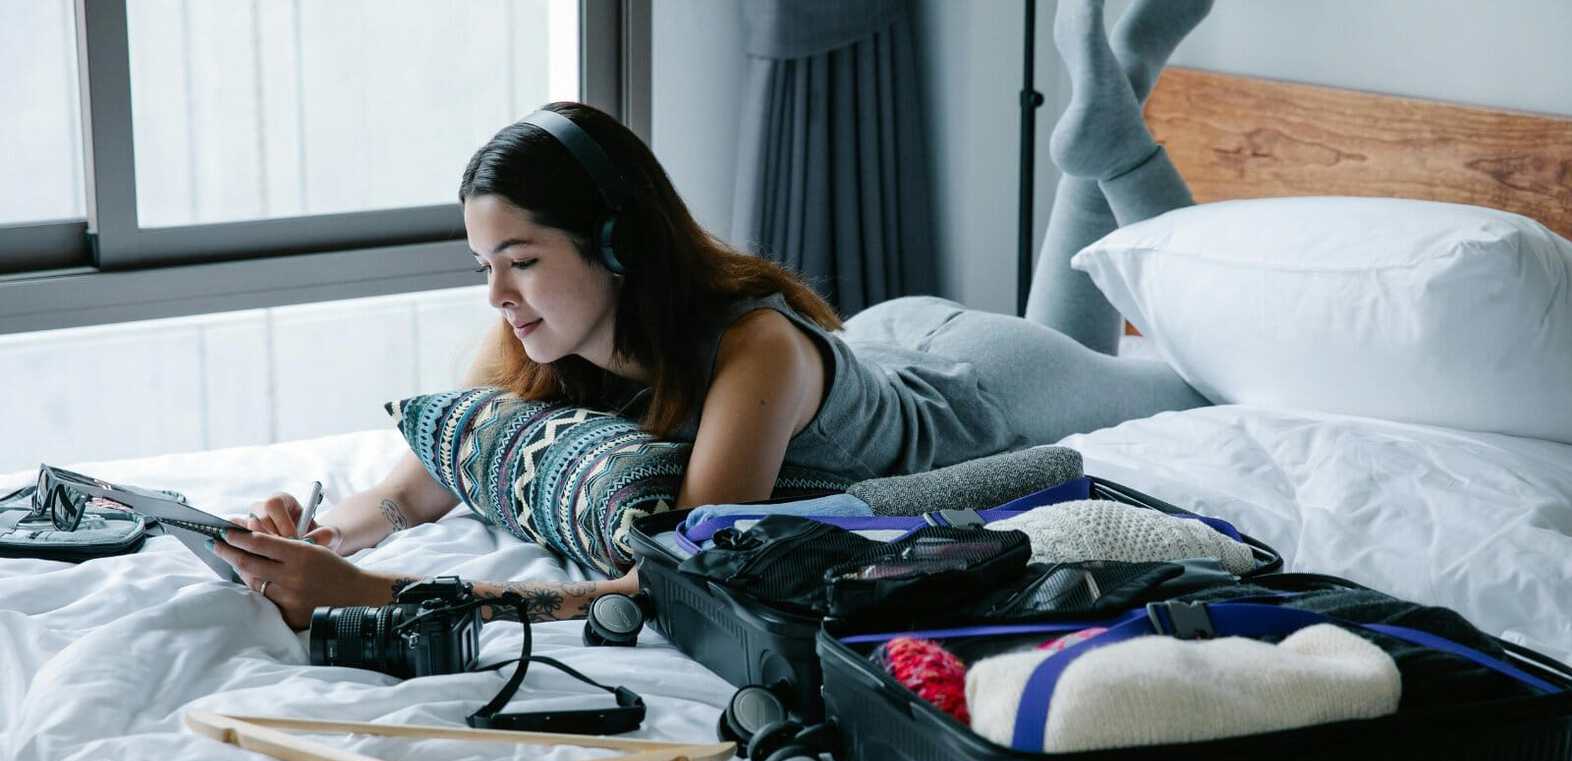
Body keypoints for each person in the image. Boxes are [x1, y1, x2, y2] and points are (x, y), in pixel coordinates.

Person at [214, 0, 1216, 630]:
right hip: (886, 341)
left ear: (617, 244)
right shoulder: (547, 333)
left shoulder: (750, 347)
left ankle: (1120, 142)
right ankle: (1114, 110)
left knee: (1199, 385)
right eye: (485, 265)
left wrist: (378, 598)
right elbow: (411, 492)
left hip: (988, 388)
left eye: (520, 261)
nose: (497, 296)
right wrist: (316, 538)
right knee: (1109, 330)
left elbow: (679, 580)